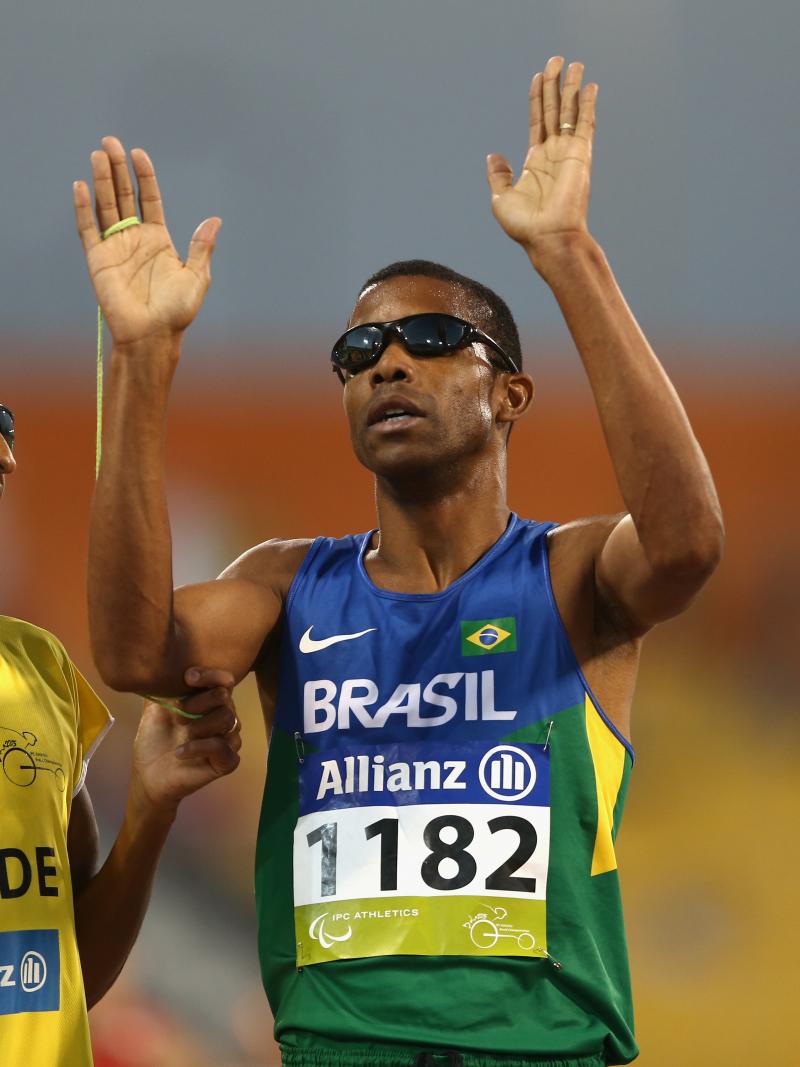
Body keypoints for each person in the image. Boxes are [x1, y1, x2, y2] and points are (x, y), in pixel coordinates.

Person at [74, 57, 723, 1067]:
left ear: (506, 394)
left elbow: (685, 542)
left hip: (542, 1050)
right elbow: (128, 647)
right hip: (338, 1046)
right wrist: (140, 361)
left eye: (427, 337)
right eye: (359, 347)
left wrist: (565, 253)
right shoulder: (288, 586)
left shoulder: (567, 575)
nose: (386, 359)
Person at [0, 407, 243, 1065]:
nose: (6, 453)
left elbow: (67, 971)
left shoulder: (38, 666)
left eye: (5, 425)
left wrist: (148, 805)